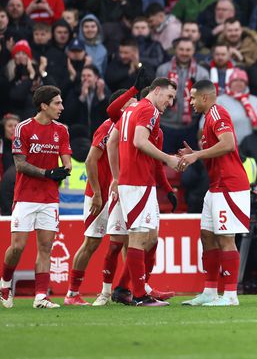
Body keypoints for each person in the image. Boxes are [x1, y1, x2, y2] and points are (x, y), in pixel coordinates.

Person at [106, 78, 179, 306]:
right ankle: (139, 295)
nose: (170, 102)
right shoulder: (149, 110)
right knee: (139, 236)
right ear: (156, 91)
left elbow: (112, 142)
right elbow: (139, 141)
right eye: (168, 96)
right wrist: (168, 158)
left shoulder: (130, 110)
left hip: (132, 181)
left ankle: (122, 288)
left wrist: (117, 176)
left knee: (149, 237)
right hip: (138, 181)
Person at [176, 80, 250, 307]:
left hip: (229, 184)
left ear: (205, 98)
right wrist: (197, 153)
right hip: (215, 186)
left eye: (193, 98)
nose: (190, 102)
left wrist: (197, 155)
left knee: (226, 239)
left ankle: (229, 295)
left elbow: (228, 144)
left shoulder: (217, 113)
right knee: (207, 236)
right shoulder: (207, 117)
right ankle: (209, 291)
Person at [1, 86, 72, 309]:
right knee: (18, 246)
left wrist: (65, 169)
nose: (61, 107)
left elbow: (66, 158)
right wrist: (47, 173)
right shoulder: (23, 128)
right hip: (25, 197)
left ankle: (41, 296)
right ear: (44, 106)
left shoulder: (61, 130)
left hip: (49, 198)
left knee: (46, 247)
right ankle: (4, 283)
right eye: (57, 103)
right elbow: (20, 164)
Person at [63, 88, 135, 305]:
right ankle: (72, 294)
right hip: (100, 194)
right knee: (91, 242)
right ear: (121, 107)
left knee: (126, 242)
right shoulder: (107, 127)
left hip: (121, 194)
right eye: (131, 104)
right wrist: (96, 193)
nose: (136, 107)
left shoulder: (133, 128)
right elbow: (89, 161)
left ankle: (124, 289)